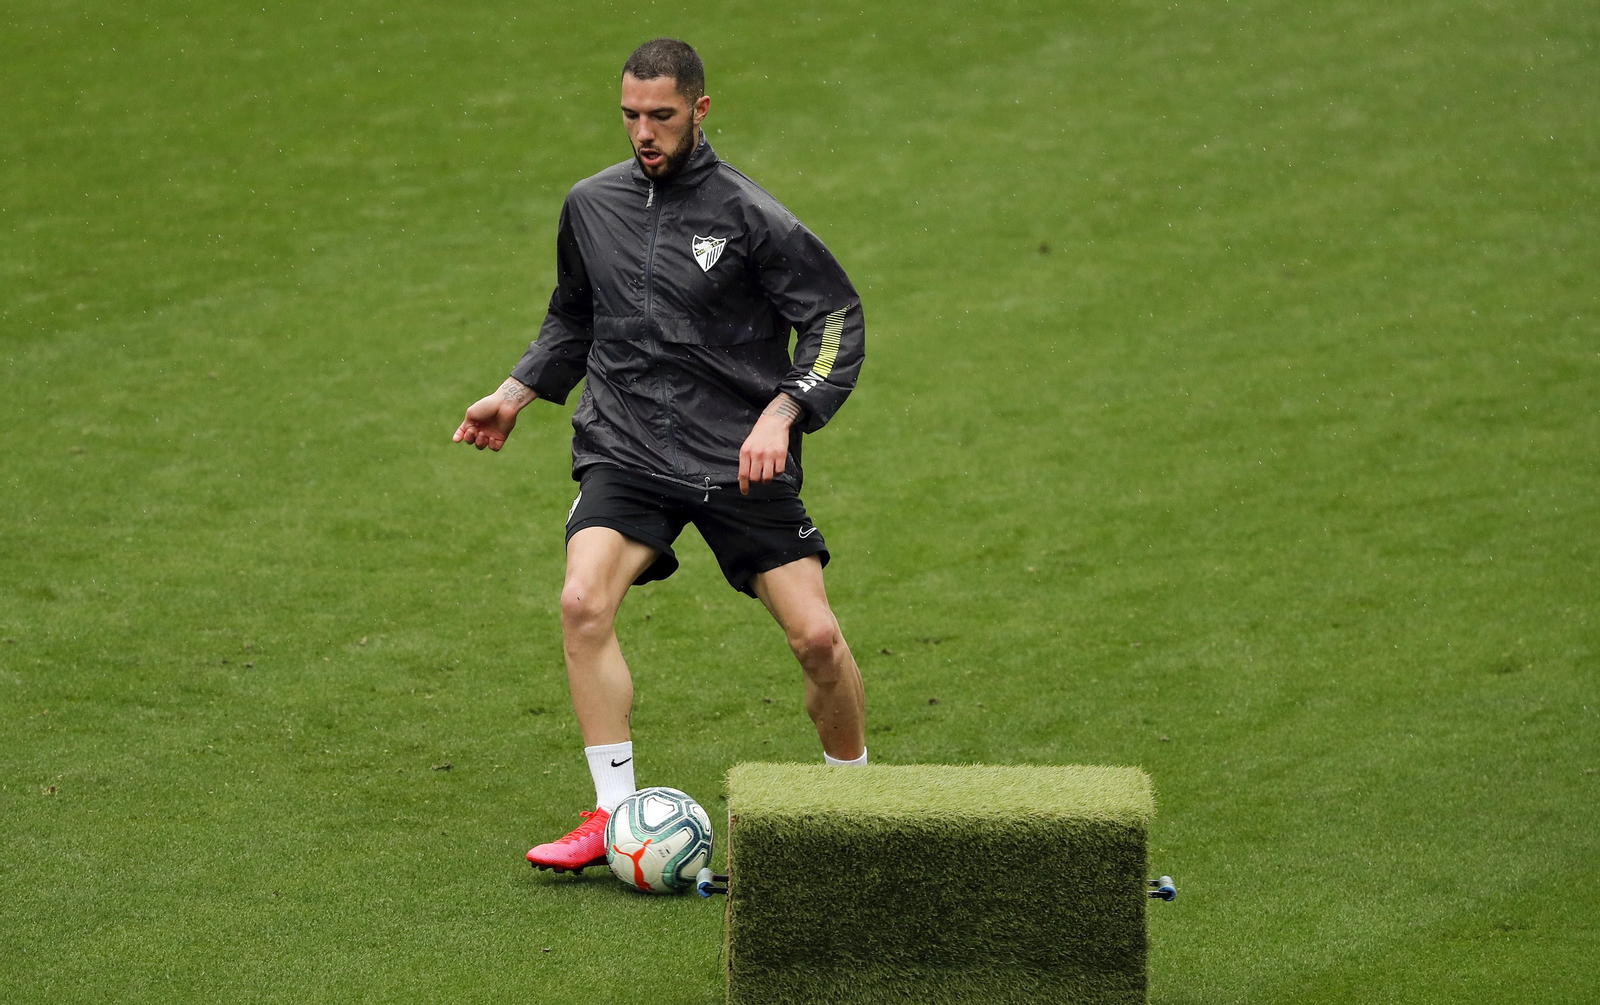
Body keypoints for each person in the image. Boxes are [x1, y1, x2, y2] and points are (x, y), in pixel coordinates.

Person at [452, 38, 868, 873]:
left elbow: (834, 320)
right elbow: (574, 316)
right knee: (581, 603)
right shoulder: (591, 204)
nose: (644, 131)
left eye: (662, 116)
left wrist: (783, 412)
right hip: (627, 442)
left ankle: (854, 801)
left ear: (700, 111)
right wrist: (515, 391)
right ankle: (613, 817)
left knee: (817, 638)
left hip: (736, 453)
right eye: (631, 115)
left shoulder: (753, 216)